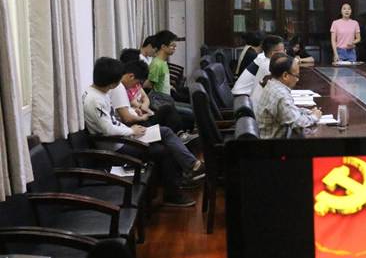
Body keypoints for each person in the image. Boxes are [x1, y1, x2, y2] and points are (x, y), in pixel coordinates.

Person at [83, 57, 204, 207]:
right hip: (117, 145)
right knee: (164, 148)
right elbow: (108, 129)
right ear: (112, 83)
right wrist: (131, 131)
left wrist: (131, 129)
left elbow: (112, 122)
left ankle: (187, 172)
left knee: (164, 134)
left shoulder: (97, 92)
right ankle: (182, 180)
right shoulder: (95, 100)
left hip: (122, 137)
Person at [255, 55, 322, 139]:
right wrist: (314, 117)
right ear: (285, 75)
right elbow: (297, 123)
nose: (297, 80)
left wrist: (307, 112)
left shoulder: (272, 84)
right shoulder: (281, 95)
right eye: (296, 76)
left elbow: (290, 111)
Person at [232, 35, 284, 101]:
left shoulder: (262, 58)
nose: (285, 54)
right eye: (283, 51)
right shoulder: (267, 65)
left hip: (245, 95)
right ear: (273, 53)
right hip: (242, 98)